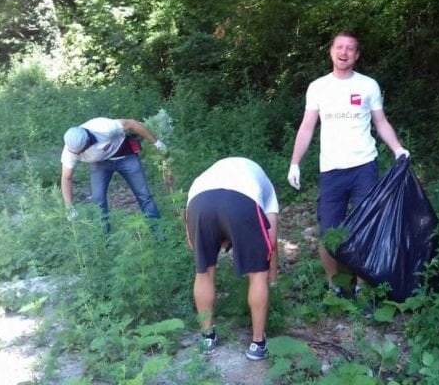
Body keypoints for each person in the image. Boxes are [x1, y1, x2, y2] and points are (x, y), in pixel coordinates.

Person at [287, 30, 409, 296]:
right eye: (339, 47)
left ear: (356, 55)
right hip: (331, 170)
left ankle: (363, 288)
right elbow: (307, 127)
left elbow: (381, 122)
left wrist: (398, 149)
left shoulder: (368, 86)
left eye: (350, 49)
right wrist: (295, 162)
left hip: (364, 166)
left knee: (367, 225)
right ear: (331, 51)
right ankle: (335, 285)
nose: (344, 53)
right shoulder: (318, 87)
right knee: (329, 230)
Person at [185, 157, 279, 359]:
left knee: (203, 272)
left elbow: (192, 244)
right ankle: (258, 344)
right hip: (241, 201)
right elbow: (271, 243)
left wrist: (216, 245)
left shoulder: (203, 179)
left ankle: (207, 338)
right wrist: (272, 282)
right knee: (258, 274)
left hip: (199, 203)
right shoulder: (268, 192)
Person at [60, 117, 166, 231]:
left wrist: (157, 143)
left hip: (125, 156)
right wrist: (69, 206)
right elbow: (66, 178)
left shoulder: (103, 128)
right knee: (98, 201)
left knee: (144, 195)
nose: (79, 154)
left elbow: (132, 124)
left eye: (81, 151)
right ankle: (105, 240)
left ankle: (158, 232)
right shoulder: (70, 150)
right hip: (100, 164)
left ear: (87, 142)